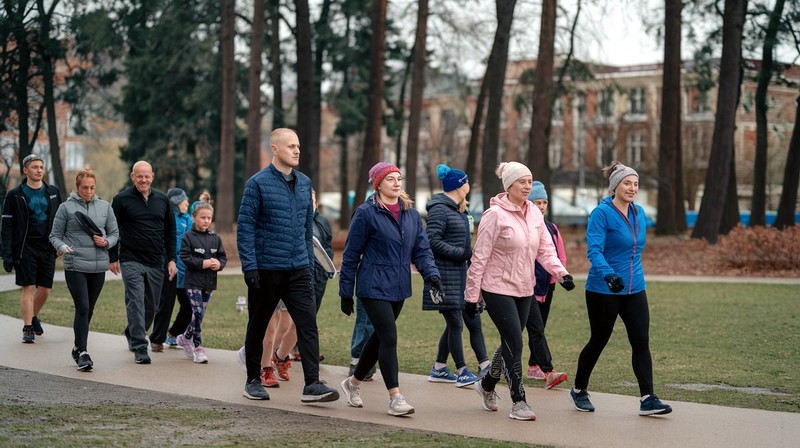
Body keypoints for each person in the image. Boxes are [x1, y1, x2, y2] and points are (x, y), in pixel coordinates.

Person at [236, 127, 339, 403]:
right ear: (275, 148)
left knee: (308, 325)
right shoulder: (257, 184)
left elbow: (306, 230)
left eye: (298, 146)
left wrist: (308, 264)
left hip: (298, 269)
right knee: (258, 326)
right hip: (266, 269)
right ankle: (253, 380)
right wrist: (250, 266)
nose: (297, 151)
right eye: (291, 146)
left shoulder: (304, 183)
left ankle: (313, 384)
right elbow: (245, 228)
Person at [467, 162, 574, 421]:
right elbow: (479, 257)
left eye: (529, 181)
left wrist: (561, 273)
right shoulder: (494, 215)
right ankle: (519, 401)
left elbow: (545, 250)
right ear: (509, 185)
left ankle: (486, 384)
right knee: (515, 342)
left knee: (510, 341)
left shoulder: (535, 214)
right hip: (496, 287)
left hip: (525, 288)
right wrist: (471, 296)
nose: (527, 186)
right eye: (522, 182)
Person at [569, 161, 672, 417]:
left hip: (635, 289)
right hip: (604, 289)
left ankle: (648, 398)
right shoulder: (601, 213)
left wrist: (632, 277)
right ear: (615, 186)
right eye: (627, 183)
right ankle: (579, 390)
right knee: (599, 340)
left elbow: (635, 250)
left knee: (641, 341)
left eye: (636, 184)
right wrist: (609, 275)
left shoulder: (639, 213)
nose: (632, 188)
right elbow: (594, 250)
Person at [339, 161, 442, 417]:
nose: (396, 183)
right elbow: (351, 254)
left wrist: (432, 275)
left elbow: (422, 250)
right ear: (378, 184)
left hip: (399, 287)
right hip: (372, 285)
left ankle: (352, 383)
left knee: (379, 338)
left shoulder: (411, 214)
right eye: (390, 179)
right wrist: (345, 291)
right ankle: (395, 397)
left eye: (399, 178)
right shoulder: (366, 213)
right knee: (389, 336)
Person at [423, 164, 487, 388]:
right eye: (467, 181)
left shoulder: (458, 209)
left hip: (461, 275)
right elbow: (432, 240)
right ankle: (462, 371)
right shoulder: (440, 209)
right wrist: (460, 253)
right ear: (460, 185)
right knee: (455, 323)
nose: (469, 185)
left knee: (458, 322)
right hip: (444, 275)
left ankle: (440, 368)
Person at [49, 167, 119, 370]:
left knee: (89, 309)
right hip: (75, 264)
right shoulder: (65, 208)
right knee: (83, 307)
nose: (88, 191)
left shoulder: (105, 207)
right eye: (84, 188)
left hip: (98, 266)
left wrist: (106, 242)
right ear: (77, 187)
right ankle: (83, 353)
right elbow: (54, 235)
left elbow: (115, 234)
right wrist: (63, 247)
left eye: (92, 188)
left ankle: (77, 346)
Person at [111, 161, 177, 364]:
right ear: (133, 176)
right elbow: (112, 229)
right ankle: (140, 346)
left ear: (152, 176)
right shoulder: (121, 200)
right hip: (131, 259)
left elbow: (170, 232)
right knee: (136, 301)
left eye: (147, 176)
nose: (143, 180)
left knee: (152, 306)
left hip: (156, 261)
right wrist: (113, 257)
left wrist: (172, 259)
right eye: (139, 176)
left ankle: (132, 332)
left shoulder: (163, 200)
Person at [1, 154, 62, 343]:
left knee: (45, 290)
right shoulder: (14, 195)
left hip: (47, 247)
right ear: (25, 170)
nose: (39, 170)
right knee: (28, 287)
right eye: (35, 167)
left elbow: (62, 220)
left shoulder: (53, 192)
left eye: (41, 167)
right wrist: (7, 254)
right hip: (25, 247)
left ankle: (32, 316)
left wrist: (60, 242)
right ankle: (27, 328)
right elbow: (7, 226)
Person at [525, 181, 568, 382]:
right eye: (537, 202)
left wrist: (560, 276)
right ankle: (539, 367)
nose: (541, 206)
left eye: (544, 202)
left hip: (548, 286)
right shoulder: (525, 226)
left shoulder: (552, 228)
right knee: (533, 329)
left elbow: (559, 255)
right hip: (528, 286)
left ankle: (534, 365)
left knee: (539, 327)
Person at [176, 202, 226, 363]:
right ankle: (198, 348)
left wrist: (219, 264)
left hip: (209, 282)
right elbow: (184, 257)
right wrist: (202, 263)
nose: (206, 221)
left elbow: (222, 257)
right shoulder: (188, 237)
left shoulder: (215, 238)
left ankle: (185, 337)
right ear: (193, 218)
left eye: (209, 218)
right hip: (192, 282)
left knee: (200, 315)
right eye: (202, 217)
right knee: (197, 313)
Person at [151, 188, 193, 352]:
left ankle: (175, 333)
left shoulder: (188, 219)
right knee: (165, 304)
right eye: (184, 200)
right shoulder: (166, 218)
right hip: (169, 268)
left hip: (186, 270)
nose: (187, 203)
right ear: (175, 202)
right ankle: (157, 339)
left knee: (189, 306)